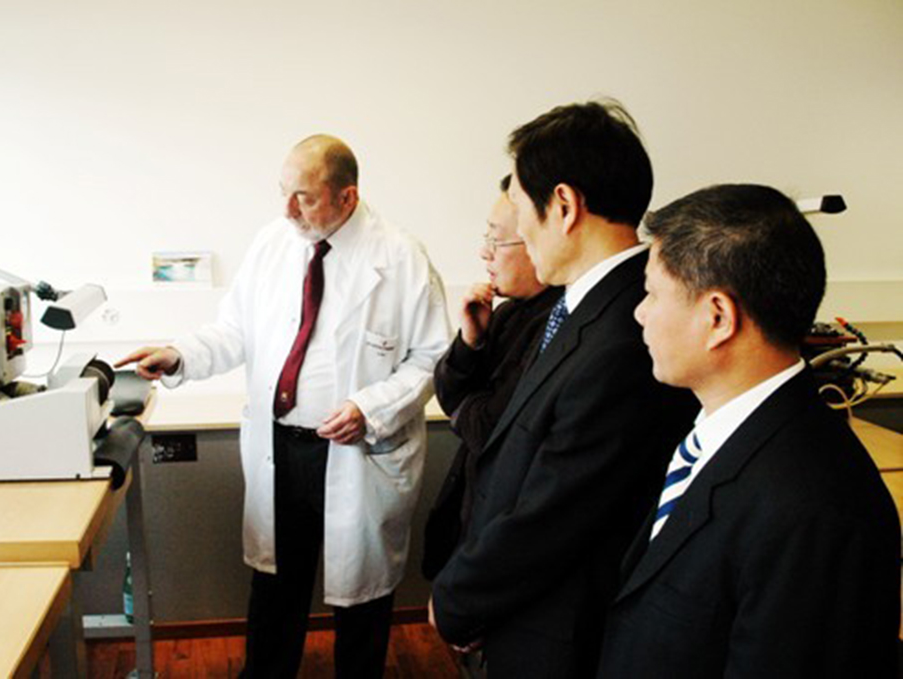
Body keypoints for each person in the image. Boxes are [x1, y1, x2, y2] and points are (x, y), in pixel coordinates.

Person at [116, 134, 451, 679]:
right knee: (275, 587)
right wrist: (180, 356)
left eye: (305, 198)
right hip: (281, 449)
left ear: (347, 196)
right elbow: (233, 331)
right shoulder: (274, 243)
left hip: (357, 451)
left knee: (362, 598)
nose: (289, 210)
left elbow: (432, 357)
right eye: (284, 193)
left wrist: (368, 407)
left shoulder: (401, 258)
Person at [429, 101, 698, 678]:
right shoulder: (578, 309)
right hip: (522, 610)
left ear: (564, 206)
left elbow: (553, 511)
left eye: (521, 207)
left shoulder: (627, 332)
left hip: (563, 630)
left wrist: (457, 597)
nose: (519, 230)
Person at [597, 184, 900, 678]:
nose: (640, 312)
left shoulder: (813, 508)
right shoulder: (715, 436)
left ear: (718, 317)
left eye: (651, 293)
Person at [422, 174, 563, 581]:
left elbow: (486, 429)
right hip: (468, 509)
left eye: (497, 241)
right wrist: (471, 341)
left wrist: (464, 406)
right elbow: (448, 393)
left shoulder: (556, 323)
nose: (484, 253)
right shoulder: (507, 311)